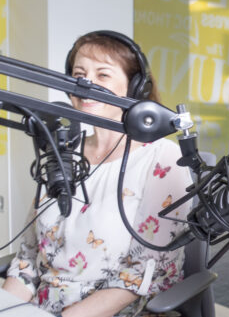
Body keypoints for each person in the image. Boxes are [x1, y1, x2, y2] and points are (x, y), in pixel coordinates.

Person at [2, 31, 192, 316]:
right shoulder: (62, 149)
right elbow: (29, 256)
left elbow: (145, 274)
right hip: (40, 306)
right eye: (79, 74)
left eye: (103, 75)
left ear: (134, 88)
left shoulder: (161, 158)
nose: (86, 84)